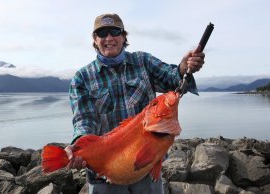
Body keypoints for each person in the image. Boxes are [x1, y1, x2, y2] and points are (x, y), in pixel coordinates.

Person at [65, 13, 205, 194]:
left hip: (146, 167)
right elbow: (84, 119)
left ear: (124, 37)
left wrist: (183, 68)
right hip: (105, 172)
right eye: (102, 33)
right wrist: (78, 147)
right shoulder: (82, 78)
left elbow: (173, 81)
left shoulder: (143, 61)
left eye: (115, 31)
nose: (109, 38)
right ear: (95, 39)